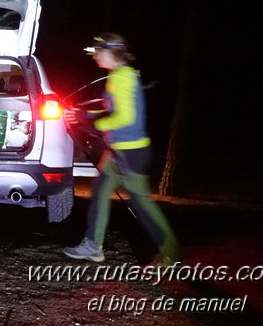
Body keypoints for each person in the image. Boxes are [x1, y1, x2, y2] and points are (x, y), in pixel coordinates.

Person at [63, 33, 180, 264]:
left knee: (140, 203)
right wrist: (83, 114)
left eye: (98, 51)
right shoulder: (120, 75)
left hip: (130, 152)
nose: (95, 56)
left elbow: (125, 117)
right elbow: (114, 111)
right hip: (118, 151)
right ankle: (93, 246)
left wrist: (95, 124)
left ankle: (171, 250)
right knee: (99, 192)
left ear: (110, 51)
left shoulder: (121, 78)